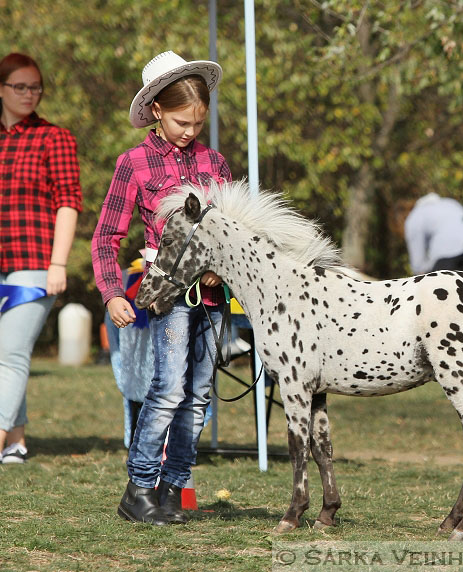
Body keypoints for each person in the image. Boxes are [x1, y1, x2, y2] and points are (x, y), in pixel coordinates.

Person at [91, 51, 231, 525]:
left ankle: (173, 488)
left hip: (211, 300)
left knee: (200, 396)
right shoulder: (133, 163)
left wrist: (220, 268)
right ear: (155, 110)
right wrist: (113, 293)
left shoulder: (216, 163)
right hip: (168, 297)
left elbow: (232, 231)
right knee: (168, 390)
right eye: (180, 120)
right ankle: (140, 486)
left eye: (197, 122)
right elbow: (106, 236)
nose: (190, 131)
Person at [0, 53, 82, 464]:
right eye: (20, 86)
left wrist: (58, 264)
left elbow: (68, 202)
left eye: (36, 87)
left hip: (33, 261)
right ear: (1, 89)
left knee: (11, 352)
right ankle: (15, 440)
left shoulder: (54, 138)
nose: (30, 94)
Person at [402, 192, 463, 276]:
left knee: (440, 287)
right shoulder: (449, 202)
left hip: (447, 253)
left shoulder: (414, 218)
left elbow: (418, 265)